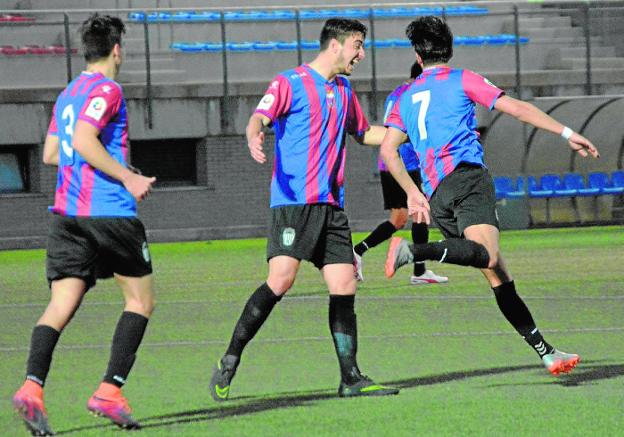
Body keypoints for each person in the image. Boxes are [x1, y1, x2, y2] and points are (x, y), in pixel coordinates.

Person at [381, 16, 599, 376]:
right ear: (448, 50)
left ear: (418, 57)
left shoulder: (403, 96)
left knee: (497, 273)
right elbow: (515, 107)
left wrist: (412, 193)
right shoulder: (461, 78)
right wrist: (565, 132)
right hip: (466, 178)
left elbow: (389, 151)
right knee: (487, 254)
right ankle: (413, 252)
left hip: (437, 193)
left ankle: (546, 351)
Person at [209, 18, 399, 401]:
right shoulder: (289, 82)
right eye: (357, 46)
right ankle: (230, 358)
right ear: (335, 45)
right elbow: (258, 117)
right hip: (293, 202)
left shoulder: (344, 90)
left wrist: (408, 130)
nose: (361, 54)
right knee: (281, 280)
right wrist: (254, 135)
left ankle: (351, 378)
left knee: (344, 285)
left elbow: (364, 134)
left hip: (332, 207)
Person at [12, 14, 156, 435]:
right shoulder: (107, 89)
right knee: (140, 302)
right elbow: (84, 140)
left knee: (61, 305)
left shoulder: (70, 93)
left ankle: (31, 388)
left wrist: (108, 164)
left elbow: (53, 153)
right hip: (109, 213)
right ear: (116, 50)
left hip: (67, 215)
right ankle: (110, 390)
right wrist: (126, 176)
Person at [353, 61, 447, 285]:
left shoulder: (396, 93)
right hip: (406, 162)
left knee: (399, 218)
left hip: (389, 161)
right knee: (420, 211)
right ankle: (419, 270)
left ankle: (357, 252)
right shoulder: (417, 94)